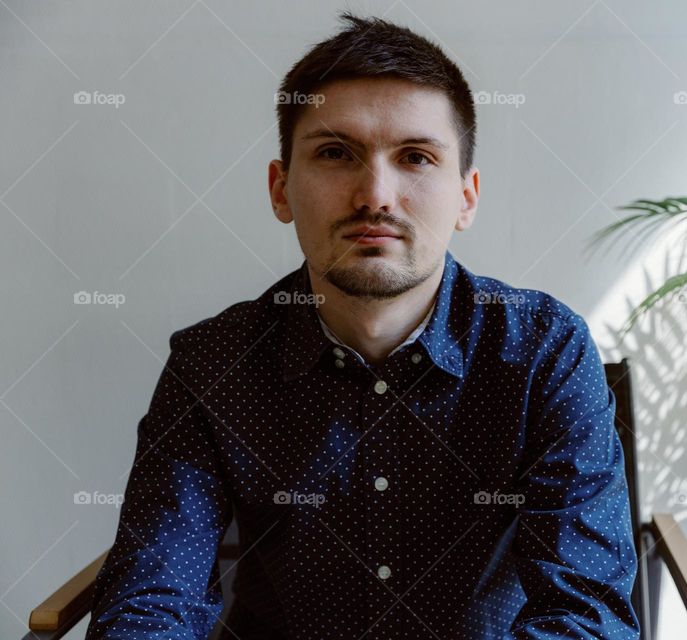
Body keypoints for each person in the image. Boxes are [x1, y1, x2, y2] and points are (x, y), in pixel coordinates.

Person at [85, 12, 640, 639]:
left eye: (416, 157)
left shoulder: (545, 349)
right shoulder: (214, 363)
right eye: (335, 153)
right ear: (281, 190)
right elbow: (151, 598)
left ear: (466, 196)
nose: (375, 195)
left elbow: (584, 614)